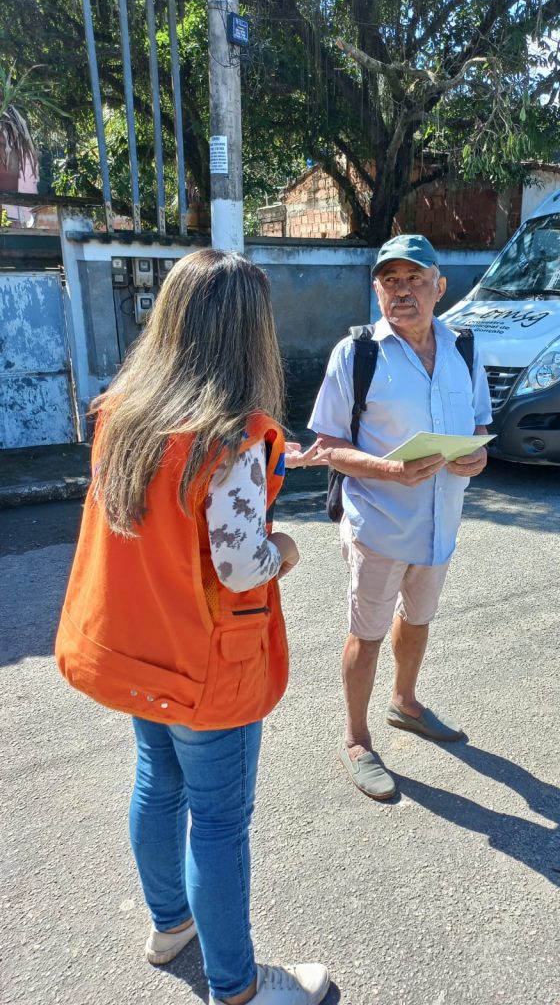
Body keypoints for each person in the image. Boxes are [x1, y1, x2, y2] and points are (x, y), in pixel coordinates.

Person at [55, 249, 329, 1005]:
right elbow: (242, 567)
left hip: (139, 649)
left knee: (157, 782)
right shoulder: (230, 438)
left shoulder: (125, 416)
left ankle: (169, 923)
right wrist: (286, 547)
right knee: (218, 821)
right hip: (206, 667)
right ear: (249, 334)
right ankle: (237, 987)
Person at [307, 234, 493, 800]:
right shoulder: (356, 354)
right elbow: (327, 445)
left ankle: (405, 703)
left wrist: (478, 457)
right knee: (366, 634)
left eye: (415, 279)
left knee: (418, 619)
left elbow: (480, 427)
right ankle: (357, 740)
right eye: (390, 280)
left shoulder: (464, 349)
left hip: (441, 522)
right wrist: (389, 471)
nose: (402, 291)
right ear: (377, 289)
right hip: (379, 523)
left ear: (440, 286)